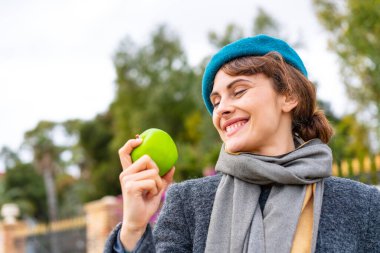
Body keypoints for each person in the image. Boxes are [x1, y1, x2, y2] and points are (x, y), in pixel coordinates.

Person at [104, 35, 380, 253]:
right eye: (216, 101)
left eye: (239, 91)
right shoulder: (188, 205)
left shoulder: (362, 207)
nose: (222, 109)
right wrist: (133, 229)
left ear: (289, 96)